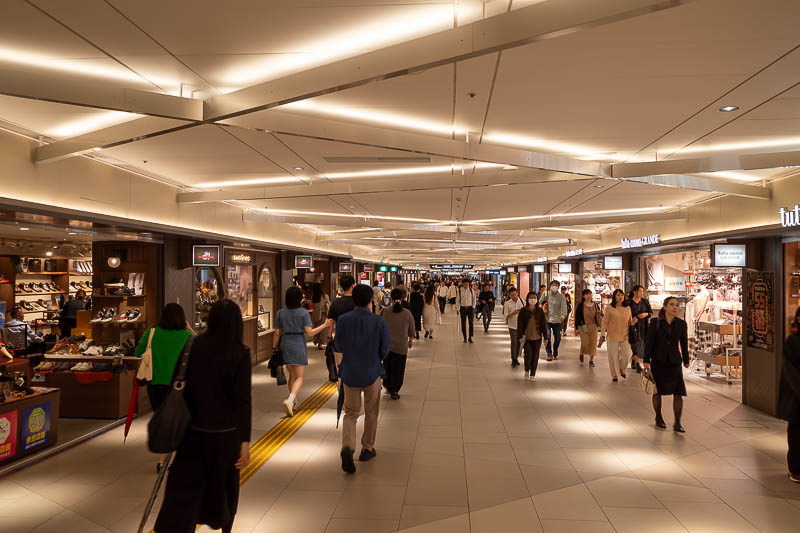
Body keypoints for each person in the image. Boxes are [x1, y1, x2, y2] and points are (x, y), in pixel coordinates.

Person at [154, 299, 251, 533]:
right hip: (225, 437)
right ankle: (225, 527)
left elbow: (177, 385)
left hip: (193, 434)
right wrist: (245, 441)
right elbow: (243, 401)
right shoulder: (240, 353)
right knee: (225, 490)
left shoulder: (193, 346)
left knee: (187, 491)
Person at [335, 284, 390, 474]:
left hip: (350, 372)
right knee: (371, 411)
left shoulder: (343, 320)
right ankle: (367, 448)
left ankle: (348, 448)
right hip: (372, 372)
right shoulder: (378, 321)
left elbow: (338, 345)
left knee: (350, 413)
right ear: (370, 300)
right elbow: (385, 348)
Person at [135, 303, 193, 471]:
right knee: (179, 422)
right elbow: (201, 349)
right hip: (179, 386)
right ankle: (176, 459)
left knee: (164, 421)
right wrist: (190, 330)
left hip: (155, 385)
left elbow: (139, 352)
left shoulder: (152, 332)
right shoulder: (186, 335)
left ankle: (163, 460)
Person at [273, 287, 332, 417]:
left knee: (291, 375)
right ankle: (290, 400)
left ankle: (293, 400)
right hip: (298, 343)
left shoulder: (280, 313)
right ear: (300, 299)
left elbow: (277, 333)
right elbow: (309, 332)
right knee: (299, 377)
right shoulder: (303, 313)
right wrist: (324, 325)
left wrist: (274, 348)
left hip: (285, 344)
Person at [643, 296, 689, 433]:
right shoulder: (655, 322)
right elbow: (649, 342)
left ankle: (677, 423)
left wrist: (686, 359)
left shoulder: (681, 324)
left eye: (677, 305)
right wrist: (646, 360)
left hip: (674, 361)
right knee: (657, 392)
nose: (675, 307)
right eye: (672, 305)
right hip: (658, 360)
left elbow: (684, 343)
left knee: (678, 392)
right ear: (665, 307)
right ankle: (658, 417)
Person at [381, 288, 415, 399]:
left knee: (387, 366)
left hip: (387, 346)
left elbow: (379, 327)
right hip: (401, 346)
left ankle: (387, 385)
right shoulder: (407, 313)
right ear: (402, 299)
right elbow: (411, 329)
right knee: (398, 369)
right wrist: (410, 339)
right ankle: (394, 390)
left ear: (391, 299)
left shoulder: (385, 312)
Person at [779, 306, 800, 483]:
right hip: (796, 398)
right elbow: (790, 371)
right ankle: (795, 469)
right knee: (796, 434)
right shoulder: (792, 342)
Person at [600, 289, 637, 382]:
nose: (620, 297)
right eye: (618, 295)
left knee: (628, 354)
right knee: (613, 356)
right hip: (612, 335)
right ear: (614, 297)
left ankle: (621, 369)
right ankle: (615, 375)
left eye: (622, 295)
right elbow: (604, 322)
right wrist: (602, 334)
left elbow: (630, 322)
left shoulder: (628, 308)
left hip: (625, 335)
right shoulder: (609, 308)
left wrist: (633, 322)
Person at [326, 275, 357, 380]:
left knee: (340, 370)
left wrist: (329, 337)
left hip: (340, 342)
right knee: (355, 368)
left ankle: (342, 393)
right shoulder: (358, 302)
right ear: (353, 285)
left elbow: (330, 322)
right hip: (357, 341)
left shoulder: (336, 303)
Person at [517, 291, 546, 380]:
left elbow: (543, 324)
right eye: (531, 298)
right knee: (528, 355)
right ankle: (527, 370)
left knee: (535, 356)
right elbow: (520, 324)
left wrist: (546, 337)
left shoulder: (540, 311)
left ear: (537, 300)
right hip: (527, 337)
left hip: (537, 337)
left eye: (534, 298)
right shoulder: (523, 310)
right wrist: (520, 336)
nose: (532, 299)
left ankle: (533, 374)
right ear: (527, 299)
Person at [540, 281, 567, 360]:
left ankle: (555, 349)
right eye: (552, 285)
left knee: (558, 338)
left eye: (555, 285)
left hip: (557, 320)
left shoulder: (561, 297)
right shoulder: (546, 294)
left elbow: (564, 307)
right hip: (546, 319)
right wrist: (542, 310)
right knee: (547, 337)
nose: (554, 286)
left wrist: (563, 316)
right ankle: (549, 353)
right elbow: (539, 303)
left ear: (558, 287)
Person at [628, 285, 652, 373]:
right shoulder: (629, 302)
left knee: (641, 344)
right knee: (634, 343)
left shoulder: (645, 302)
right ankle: (638, 364)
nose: (641, 293)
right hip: (633, 326)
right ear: (634, 292)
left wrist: (645, 314)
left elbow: (650, 313)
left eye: (642, 291)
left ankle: (634, 361)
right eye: (640, 291)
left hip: (644, 326)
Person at [574, 289, 601, 367]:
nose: (589, 296)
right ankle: (581, 352)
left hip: (593, 326)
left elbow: (599, 315)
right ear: (583, 296)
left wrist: (599, 314)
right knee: (585, 342)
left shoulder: (595, 305)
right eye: (587, 294)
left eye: (590, 294)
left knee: (593, 343)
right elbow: (578, 317)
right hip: (583, 326)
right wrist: (576, 328)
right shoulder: (580, 305)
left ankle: (591, 360)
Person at [503, 287, 524, 367]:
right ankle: (513, 359)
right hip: (512, 326)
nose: (514, 297)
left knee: (519, 343)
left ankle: (516, 357)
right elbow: (506, 316)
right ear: (510, 295)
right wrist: (513, 313)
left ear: (517, 293)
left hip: (521, 326)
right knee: (514, 342)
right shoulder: (507, 303)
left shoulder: (522, 301)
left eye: (515, 295)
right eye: (512, 295)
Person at [310, 283, 330, 350]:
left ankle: (317, 341)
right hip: (323, 314)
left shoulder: (313, 297)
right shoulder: (325, 296)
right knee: (323, 330)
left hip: (316, 315)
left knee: (316, 329)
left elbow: (312, 306)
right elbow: (329, 304)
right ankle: (320, 343)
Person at [456, 278, 477, 343]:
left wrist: (473, 307)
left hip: (470, 308)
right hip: (463, 308)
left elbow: (474, 299)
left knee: (471, 323)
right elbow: (457, 300)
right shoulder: (459, 291)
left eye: (467, 284)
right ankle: (465, 337)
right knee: (463, 323)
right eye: (464, 284)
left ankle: (470, 337)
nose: (466, 285)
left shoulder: (471, 290)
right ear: (462, 284)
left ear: (469, 284)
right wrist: (457, 308)